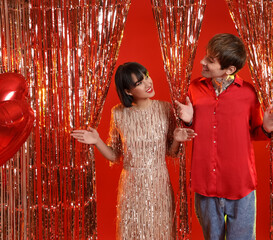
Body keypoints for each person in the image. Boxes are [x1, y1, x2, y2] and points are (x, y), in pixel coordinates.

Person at [175, 33, 273, 240]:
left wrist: (267, 128)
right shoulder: (193, 89)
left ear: (230, 70)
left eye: (210, 60)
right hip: (205, 184)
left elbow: (255, 133)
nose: (202, 62)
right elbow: (187, 132)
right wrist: (188, 120)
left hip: (240, 185)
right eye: (206, 56)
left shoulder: (249, 93)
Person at [71, 62, 196, 240]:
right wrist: (97, 141)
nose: (148, 83)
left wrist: (177, 139)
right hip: (131, 185)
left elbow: (172, 152)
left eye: (146, 76)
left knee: (160, 231)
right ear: (128, 92)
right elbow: (114, 155)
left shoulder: (165, 109)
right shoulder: (118, 113)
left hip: (159, 184)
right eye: (139, 83)